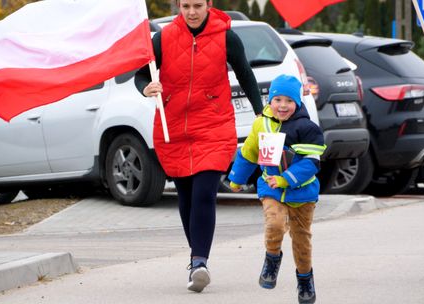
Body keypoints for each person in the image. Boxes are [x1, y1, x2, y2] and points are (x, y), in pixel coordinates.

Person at [134, 0, 263, 293]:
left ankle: (199, 260)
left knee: (205, 191)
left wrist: (259, 111)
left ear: (209, 5)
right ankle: (197, 261)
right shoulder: (163, 38)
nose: (192, 12)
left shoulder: (226, 36)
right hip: (174, 127)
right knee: (186, 195)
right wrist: (146, 87)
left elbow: (245, 73)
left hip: (213, 125)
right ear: (179, 6)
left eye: (198, 6)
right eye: (186, 6)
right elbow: (141, 74)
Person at [228, 74, 325, 304]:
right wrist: (237, 178)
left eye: (289, 101)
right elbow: (249, 152)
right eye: (277, 99)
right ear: (269, 100)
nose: (282, 105)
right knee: (275, 224)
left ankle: (304, 280)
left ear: (297, 103)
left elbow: (311, 163)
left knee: (301, 239)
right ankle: (272, 260)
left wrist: (286, 180)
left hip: (302, 193)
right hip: (270, 188)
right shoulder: (261, 123)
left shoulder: (307, 128)